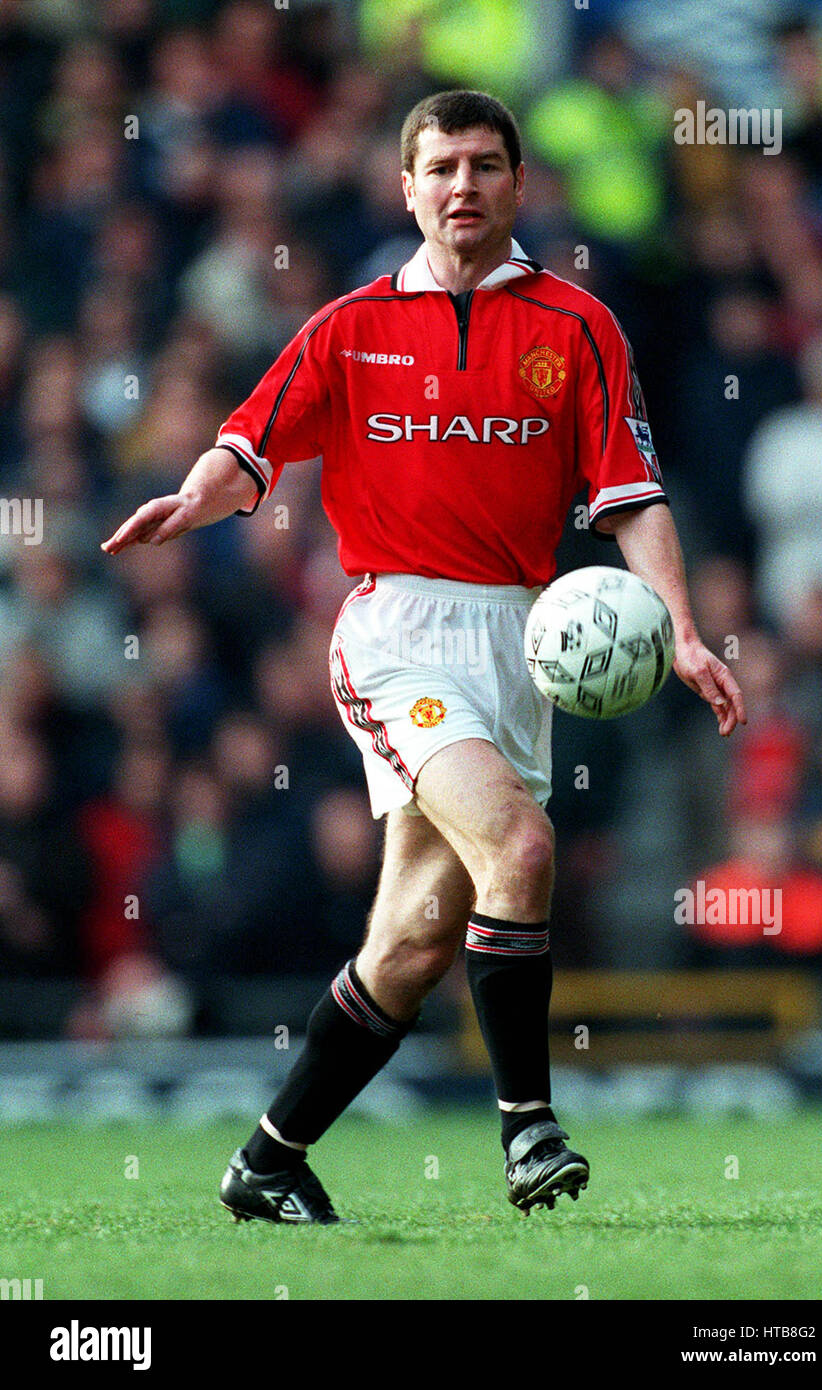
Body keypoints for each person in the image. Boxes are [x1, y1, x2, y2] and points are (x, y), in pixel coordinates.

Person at [102, 90, 746, 1224]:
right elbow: (246, 447)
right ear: (405, 186)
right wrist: (194, 502)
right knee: (523, 842)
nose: (462, 185)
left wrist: (682, 630)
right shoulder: (347, 327)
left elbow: (630, 497)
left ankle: (267, 1157)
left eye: (485, 165)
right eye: (440, 166)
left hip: (521, 641)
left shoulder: (576, 328)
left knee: (411, 937)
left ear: (515, 183)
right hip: (396, 635)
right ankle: (528, 1127)